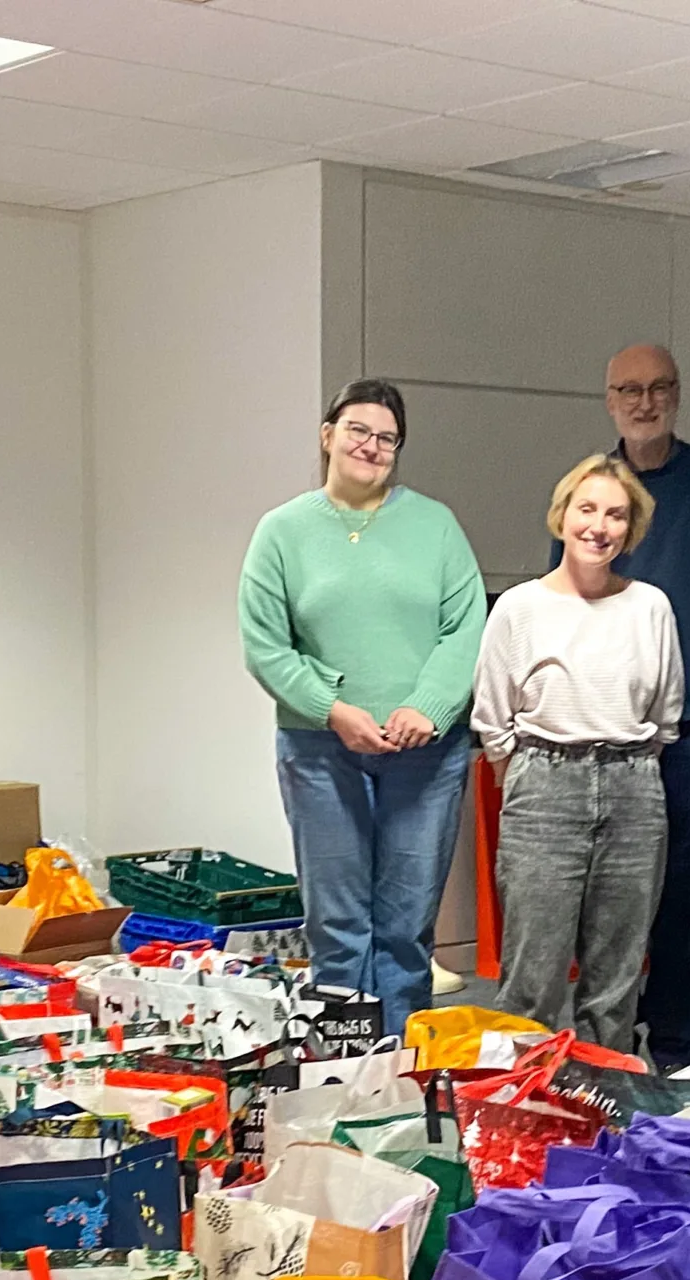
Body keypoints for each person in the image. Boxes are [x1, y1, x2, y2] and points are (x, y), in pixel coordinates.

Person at [240, 379, 485, 1037]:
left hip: (424, 757)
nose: (371, 447)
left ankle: (403, 1083)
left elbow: (466, 626)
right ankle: (340, 1080)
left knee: (406, 931)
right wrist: (332, 709)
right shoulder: (282, 532)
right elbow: (265, 646)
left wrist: (429, 705)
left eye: (386, 438)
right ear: (328, 436)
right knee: (339, 928)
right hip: (322, 752)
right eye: (358, 431)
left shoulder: (434, 525)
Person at [561, 342, 690, 1070]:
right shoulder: (593, 489)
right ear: (609, 399)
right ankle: (603, 1045)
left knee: (688, 894)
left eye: (659, 388)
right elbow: (561, 596)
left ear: (678, 394)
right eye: (629, 390)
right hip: (608, 731)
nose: (645, 402)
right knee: (608, 892)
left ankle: (676, 1050)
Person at [476, 455, 684, 1051]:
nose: (599, 525)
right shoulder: (520, 608)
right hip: (543, 786)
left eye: (615, 514)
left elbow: (666, 716)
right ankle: (519, 1121)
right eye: (586, 508)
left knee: (615, 982)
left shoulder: (651, 607)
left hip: (635, 790)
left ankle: (602, 1122)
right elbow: (493, 722)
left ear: (631, 528)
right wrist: (542, 777)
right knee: (531, 978)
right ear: (562, 516)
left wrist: (621, 772)